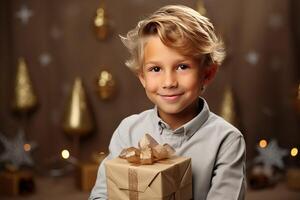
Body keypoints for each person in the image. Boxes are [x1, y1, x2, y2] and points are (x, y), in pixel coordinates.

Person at [90, 4, 246, 200]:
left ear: (207, 73)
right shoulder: (128, 131)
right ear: (142, 76)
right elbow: (101, 195)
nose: (169, 82)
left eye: (182, 66)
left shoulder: (227, 140)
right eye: (156, 69)